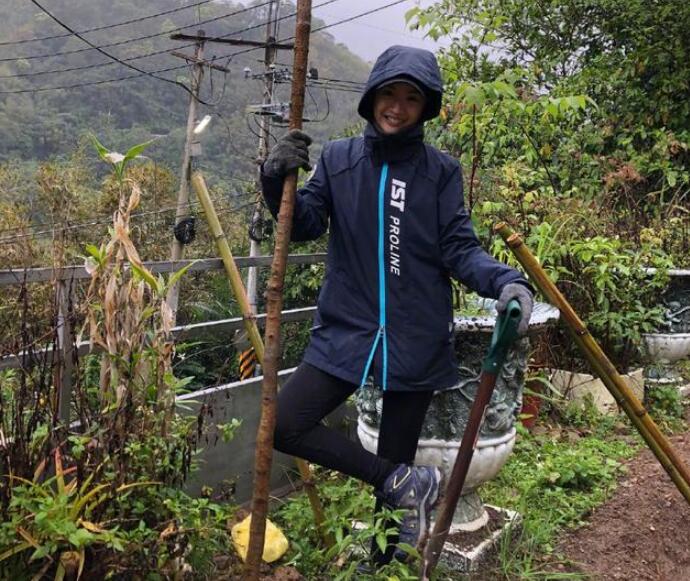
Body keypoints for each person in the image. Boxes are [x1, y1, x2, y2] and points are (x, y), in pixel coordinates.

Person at [260, 45, 533, 566]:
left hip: (414, 335)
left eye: (412, 98)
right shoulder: (339, 161)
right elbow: (305, 223)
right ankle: (400, 482)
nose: (398, 106)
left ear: (424, 109)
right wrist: (276, 179)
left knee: (396, 462)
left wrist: (505, 282)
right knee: (286, 424)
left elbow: (459, 247)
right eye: (390, 93)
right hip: (346, 328)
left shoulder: (439, 171)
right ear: (372, 97)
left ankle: (383, 562)